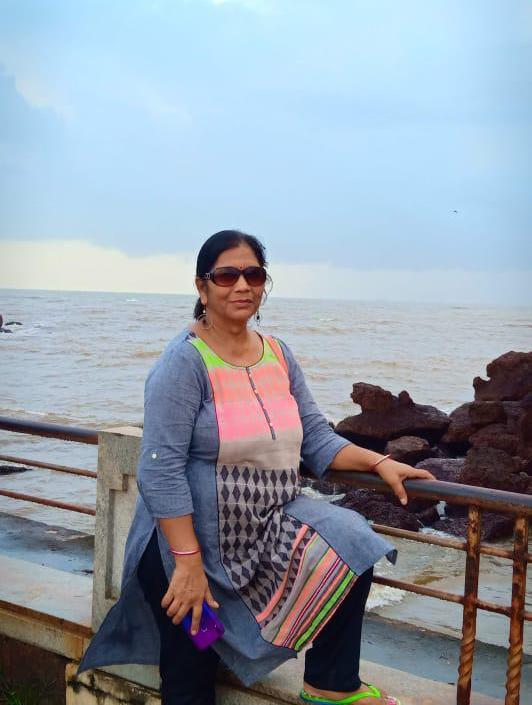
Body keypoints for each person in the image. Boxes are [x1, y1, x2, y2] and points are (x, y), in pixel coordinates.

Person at [78, 230, 435, 704]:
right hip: (187, 550)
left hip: (260, 535)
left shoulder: (278, 355)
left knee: (352, 544)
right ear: (202, 287)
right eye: (227, 275)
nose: (242, 285)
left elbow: (315, 437)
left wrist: (380, 462)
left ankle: (329, 685)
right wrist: (187, 564)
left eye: (254, 274)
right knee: (192, 668)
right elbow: (160, 469)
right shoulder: (183, 363)